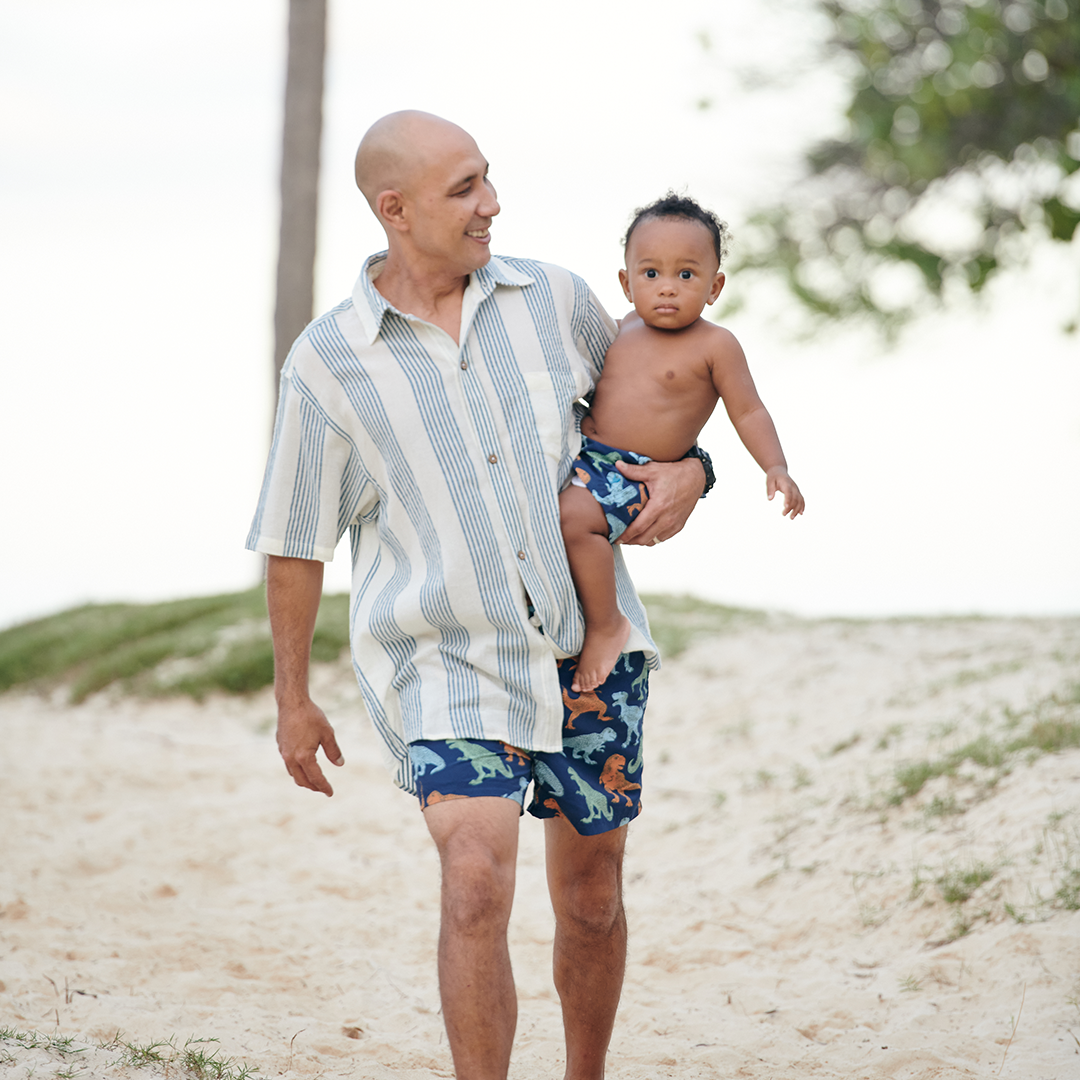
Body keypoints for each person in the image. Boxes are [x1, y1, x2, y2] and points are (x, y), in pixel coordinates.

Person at [246, 111, 709, 1080]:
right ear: (396, 210)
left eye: (488, 180)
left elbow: (653, 407)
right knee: (474, 880)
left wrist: (694, 471)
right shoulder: (328, 363)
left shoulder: (561, 303)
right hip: (444, 657)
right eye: (465, 189)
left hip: (590, 648)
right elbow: (295, 542)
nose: (492, 203)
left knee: (591, 893)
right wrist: (293, 696)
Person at [560, 194, 805, 693]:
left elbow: (749, 410)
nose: (667, 288)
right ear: (626, 283)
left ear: (714, 286)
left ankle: (607, 625)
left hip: (637, 473)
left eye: (686, 275)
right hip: (588, 459)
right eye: (651, 274)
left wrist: (775, 466)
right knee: (559, 515)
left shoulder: (715, 345)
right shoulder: (620, 328)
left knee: (573, 520)